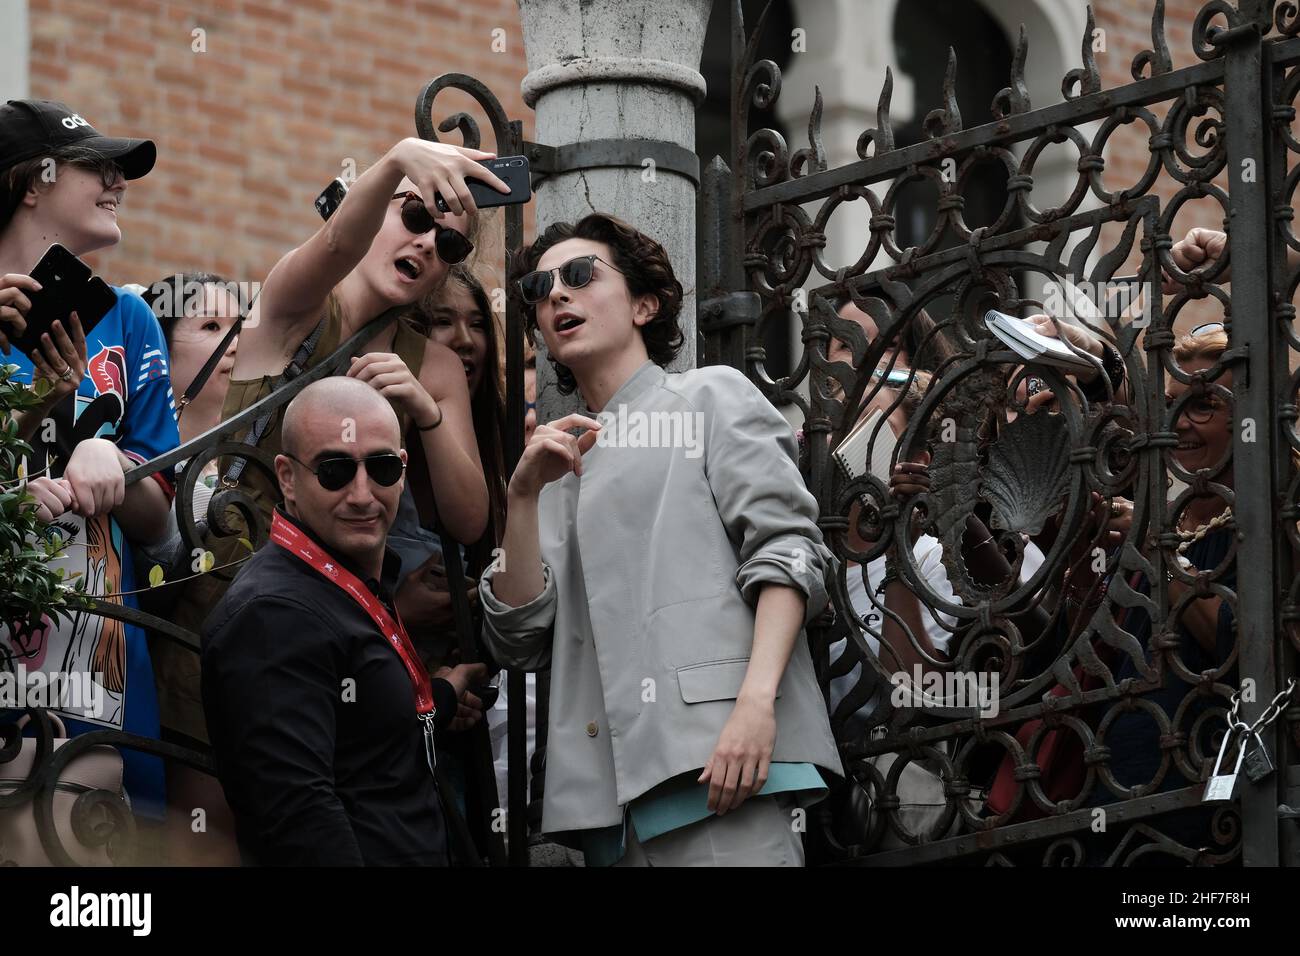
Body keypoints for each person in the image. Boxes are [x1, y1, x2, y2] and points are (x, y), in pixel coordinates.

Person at [480, 212, 841, 866]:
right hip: (608, 818)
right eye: (539, 286)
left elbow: (790, 550)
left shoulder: (708, 398)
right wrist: (523, 497)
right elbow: (516, 637)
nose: (556, 293)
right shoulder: (553, 472)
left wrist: (757, 708)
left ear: (645, 304)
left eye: (581, 274)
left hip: (726, 768)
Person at [168, 134, 506, 708]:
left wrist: (425, 413)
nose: (426, 243)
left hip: (343, 627)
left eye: (447, 242)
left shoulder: (436, 364)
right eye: (415, 214)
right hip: (228, 602)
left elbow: (469, 521)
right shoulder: (296, 305)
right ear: (373, 210)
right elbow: (333, 242)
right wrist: (398, 157)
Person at [201, 376, 486, 866]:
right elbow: (298, 817)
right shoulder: (273, 615)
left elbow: (368, 742)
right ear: (287, 478)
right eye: (335, 470)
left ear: (402, 469)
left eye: (380, 469)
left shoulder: (344, 586)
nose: (361, 494)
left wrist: (443, 692)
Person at [0, 99, 178, 820]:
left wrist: (112, 458)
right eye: (95, 165)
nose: (117, 180)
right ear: (30, 182)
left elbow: (165, 528)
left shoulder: (128, 318)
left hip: (101, 669)